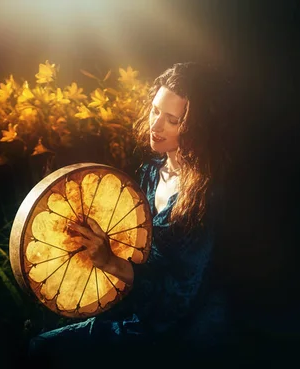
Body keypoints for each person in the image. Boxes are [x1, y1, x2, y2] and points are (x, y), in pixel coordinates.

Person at [26, 62, 235, 367]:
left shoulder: (208, 195)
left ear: (197, 128)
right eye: (155, 110)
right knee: (42, 340)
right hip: (139, 306)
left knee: (46, 350)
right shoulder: (151, 173)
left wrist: (110, 261)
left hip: (179, 330)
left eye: (172, 120)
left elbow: (181, 298)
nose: (156, 125)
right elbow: (133, 248)